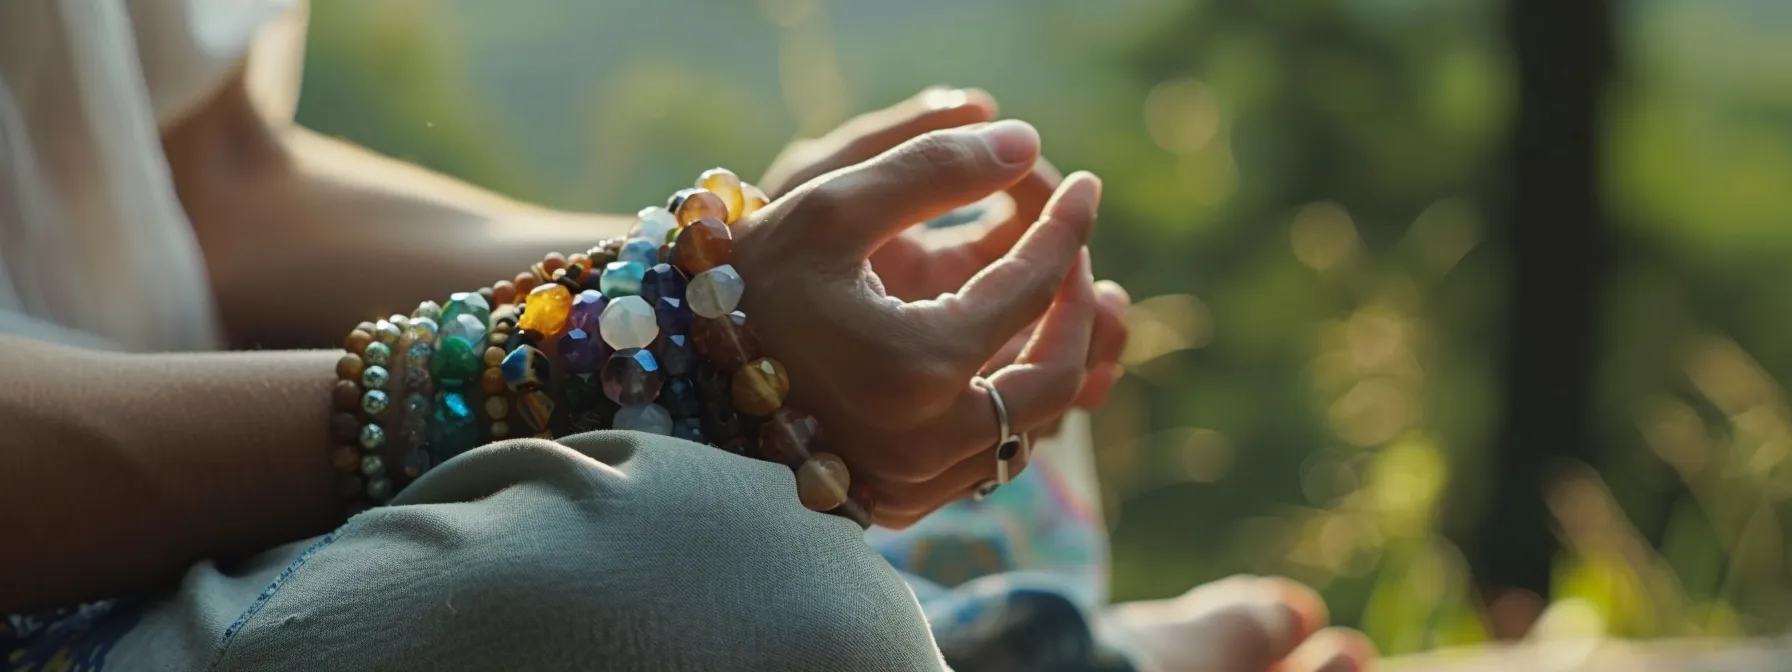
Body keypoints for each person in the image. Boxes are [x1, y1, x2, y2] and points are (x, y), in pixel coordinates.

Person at [0, 1, 1374, 670]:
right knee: (730, 582)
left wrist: (740, 263)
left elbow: (215, 176)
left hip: (243, 477)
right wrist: (616, 357)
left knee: (940, 380)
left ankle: (965, 637)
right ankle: (998, 646)